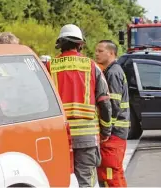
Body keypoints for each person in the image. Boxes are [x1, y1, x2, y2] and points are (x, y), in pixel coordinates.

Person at [45, 24, 113, 187]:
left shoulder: (49, 67)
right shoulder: (91, 66)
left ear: (60, 44)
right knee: (85, 182)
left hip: (59, 136)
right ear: (80, 44)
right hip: (86, 138)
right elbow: (104, 103)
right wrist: (106, 131)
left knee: (60, 181)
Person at [95, 40, 130, 187]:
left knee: (109, 174)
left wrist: (106, 131)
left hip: (113, 134)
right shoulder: (113, 70)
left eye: (100, 51)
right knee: (116, 173)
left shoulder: (113, 73)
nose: (96, 54)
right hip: (118, 132)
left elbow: (113, 106)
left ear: (111, 53)